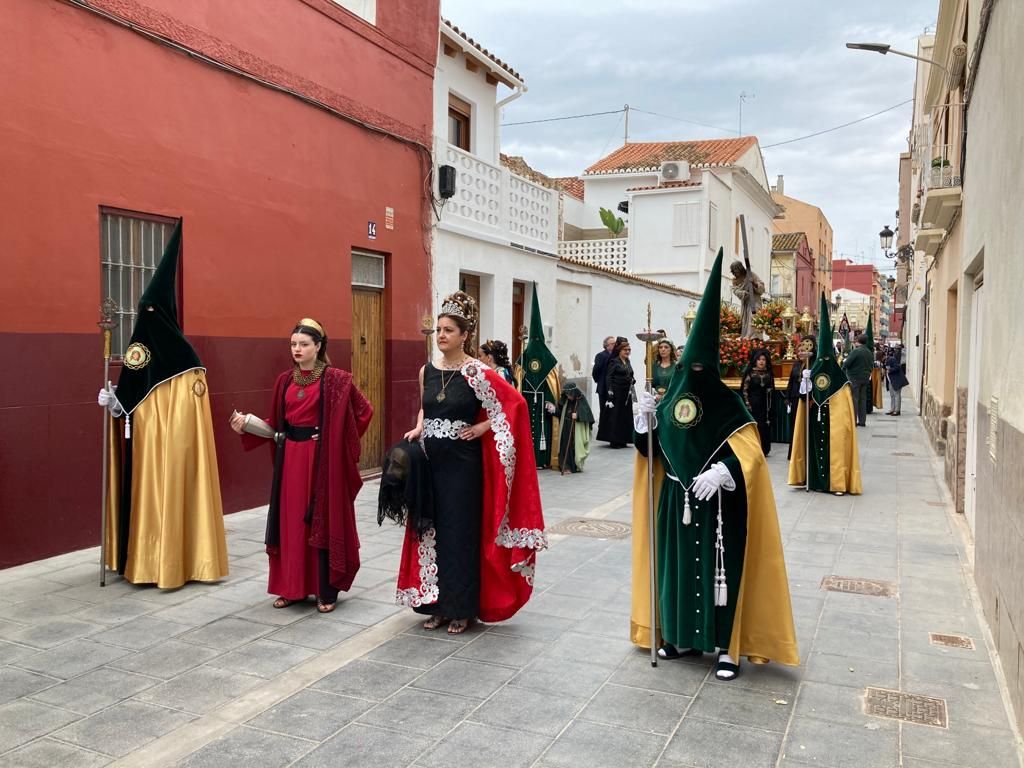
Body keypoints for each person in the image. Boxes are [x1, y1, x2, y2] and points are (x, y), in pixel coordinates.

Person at [630, 249, 799, 681]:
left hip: (720, 508)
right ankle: (681, 636)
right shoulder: (670, 401)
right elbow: (653, 449)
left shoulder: (731, 404)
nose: (697, 372)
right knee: (678, 571)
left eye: (705, 366)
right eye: (692, 364)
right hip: (675, 501)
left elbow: (750, 452)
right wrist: (644, 420)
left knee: (721, 573)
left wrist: (725, 471)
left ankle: (726, 647)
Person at [396, 291, 546, 634]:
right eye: (439, 329)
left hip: (463, 468)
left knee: (459, 535)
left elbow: (514, 406)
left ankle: (461, 609)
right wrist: (419, 426)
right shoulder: (426, 371)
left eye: (449, 330)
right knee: (430, 531)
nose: (442, 335)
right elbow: (425, 406)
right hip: (430, 463)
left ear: (465, 336)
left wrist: (483, 425)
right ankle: (435, 605)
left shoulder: (477, 372)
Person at [97, 222, 228, 588]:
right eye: (142, 310)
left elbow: (186, 423)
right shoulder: (143, 352)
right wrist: (113, 404)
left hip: (170, 454)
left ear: (164, 316)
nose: (144, 318)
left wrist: (126, 407)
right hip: (142, 453)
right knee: (143, 498)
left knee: (169, 497)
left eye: (150, 311)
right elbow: (131, 400)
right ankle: (136, 556)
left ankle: (170, 562)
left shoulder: (187, 360)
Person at [230, 319, 372, 613]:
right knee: (292, 522)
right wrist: (246, 426)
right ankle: (291, 587)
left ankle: (325, 591)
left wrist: (335, 434)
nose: (297, 349)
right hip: (290, 459)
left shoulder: (336, 379)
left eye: (304, 344)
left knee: (321, 520)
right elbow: (275, 424)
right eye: (293, 344)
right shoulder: (284, 380)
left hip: (322, 461)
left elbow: (363, 411)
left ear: (318, 347)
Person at [788, 294, 862, 495]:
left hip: (833, 423)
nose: (825, 362)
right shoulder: (812, 372)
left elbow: (846, 410)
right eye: (823, 359)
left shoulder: (841, 382)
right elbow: (805, 399)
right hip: (814, 421)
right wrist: (805, 381)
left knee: (835, 449)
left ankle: (836, 482)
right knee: (812, 448)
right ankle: (811, 480)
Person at [514, 285, 561, 469]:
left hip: (541, 405)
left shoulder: (547, 360)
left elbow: (552, 385)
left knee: (541, 430)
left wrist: (550, 401)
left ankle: (541, 459)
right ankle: (528, 459)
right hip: (529, 401)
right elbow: (518, 382)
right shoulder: (523, 358)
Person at [596, 337, 635, 448]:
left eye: (629, 350)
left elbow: (630, 373)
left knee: (625, 416)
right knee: (615, 416)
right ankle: (614, 440)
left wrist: (632, 379)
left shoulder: (627, 361)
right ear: (619, 351)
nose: (627, 352)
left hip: (626, 393)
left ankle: (623, 439)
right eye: (625, 350)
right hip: (616, 393)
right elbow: (609, 377)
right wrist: (610, 391)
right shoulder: (614, 361)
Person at [785, 336, 816, 460]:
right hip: (794, 398)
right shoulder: (796, 364)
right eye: (799, 351)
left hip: (807, 400)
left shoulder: (813, 365)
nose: (801, 353)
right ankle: (794, 452)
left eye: (804, 351)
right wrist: (787, 398)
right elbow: (791, 382)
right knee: (795, 426)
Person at [740, 348, 775, 456]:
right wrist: (747, 404)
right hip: (753, 404)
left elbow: (771, 388)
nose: (761, 361)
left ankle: (764, 449)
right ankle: (753, 449)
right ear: (755, 360)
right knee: (754, 425)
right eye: (759, 359)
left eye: (763, 359)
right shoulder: (750, 373)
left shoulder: (769, 373)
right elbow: (744, 390)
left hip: (765, 404)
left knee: (764, 426)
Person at [554, 382, 595, 474]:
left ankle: (575, 466)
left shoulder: (581, 399)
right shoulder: (565, 400)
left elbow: (588, 416)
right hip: (565, 427)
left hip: (576, 429)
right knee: (564, 447)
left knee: (574, 447)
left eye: (569, 395)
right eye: (566, 395)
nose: (568, 397)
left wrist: (578, 415)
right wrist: (553, 410)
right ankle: (565, 467)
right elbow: (560, 412)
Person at [842, 334, 873, 427]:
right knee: (863, 399)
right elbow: (872, 365)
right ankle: (862, 421)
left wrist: (843, 365)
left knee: (854, 399)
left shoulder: (856, 351)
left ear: (857, 341)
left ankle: (854, 420)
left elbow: (847, 363)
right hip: (865, 377)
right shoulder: (868, 352)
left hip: (854, 377)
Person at [592, 336, 616, 410]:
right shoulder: (600, 355)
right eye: (612, 343)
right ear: (606, 345)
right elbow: (595, 370)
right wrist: (599, 381)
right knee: (605, 410)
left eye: (615, 343)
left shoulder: (616, 356)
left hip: (615, 387)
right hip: (604, 387)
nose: (614, 345)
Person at [885, 348, 909, 415]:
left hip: (896, 380)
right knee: (892, 395)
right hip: (891, 380)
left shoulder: (892, 359)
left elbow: (897, 367)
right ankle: (892, 409)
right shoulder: (888, 360)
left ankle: (897, 410)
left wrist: (890, 370)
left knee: (897, 395)